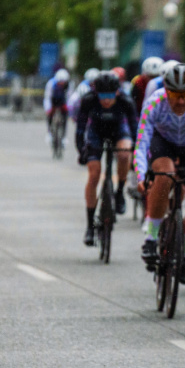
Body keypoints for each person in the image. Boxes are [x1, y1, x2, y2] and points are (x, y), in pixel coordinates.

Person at [137, 63, 185, 284]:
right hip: (164, 143)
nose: (181, 101)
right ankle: (151, 237)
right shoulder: (154, 102)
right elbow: (142, 143)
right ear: (166, 90)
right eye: (175, 95)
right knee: (165, 175)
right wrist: (141, 174)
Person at [76, 72, 139, 246]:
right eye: (102, 96)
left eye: (110, 96)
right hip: (96, 132)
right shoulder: (88, 100)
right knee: (94, 174)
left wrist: (135, 151)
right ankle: (90, 225)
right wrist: (81, 151)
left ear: (117, 92)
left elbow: (135, 128)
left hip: (119, 130)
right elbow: (80, 129)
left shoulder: (126, 101)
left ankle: (119, 192)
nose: (106, 100)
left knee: (124, 153)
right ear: (96, 93)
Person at [43, 69, 70, 144]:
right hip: (53, 101)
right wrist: (48, 109)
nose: (61, 84)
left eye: (63, 82)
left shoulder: (69, 85)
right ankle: (49, 133)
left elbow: (69, 97)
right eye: (60, 82)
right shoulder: (50, 83)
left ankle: (64, 136)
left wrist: (68, 108)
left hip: (63, 101)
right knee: (49, 115)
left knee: (65, 116)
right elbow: (47, 97)